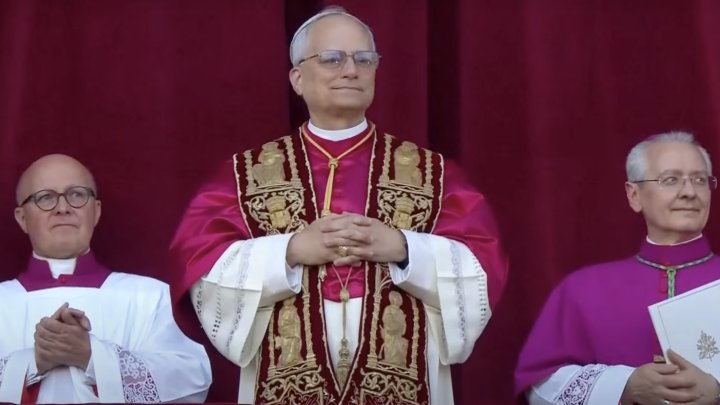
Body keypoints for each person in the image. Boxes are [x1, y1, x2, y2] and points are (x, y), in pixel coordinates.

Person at [170, 6, 507, 405]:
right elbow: (201, 267)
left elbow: (482, 266)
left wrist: (404, 248)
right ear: (297, 78)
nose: (351, 70)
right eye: (332, 58)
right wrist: (290, 251)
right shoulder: (245, 175)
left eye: (364, 59)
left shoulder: (432, 173)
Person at [515, 131, 720, 405]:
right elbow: (539, 386)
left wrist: (717, 390)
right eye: (671, 180)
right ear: (634, 195)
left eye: (700, 180)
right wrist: (622, 386)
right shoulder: (582, 289)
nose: (689, 192)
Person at [0, 154, 212, 403]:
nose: (63, 208)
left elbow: (192, 378)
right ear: (22, 218)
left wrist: (93, 357)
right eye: (45, 197)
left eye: (77, 194)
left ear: (96, 211)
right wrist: (33, 362)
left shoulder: (151, 297)